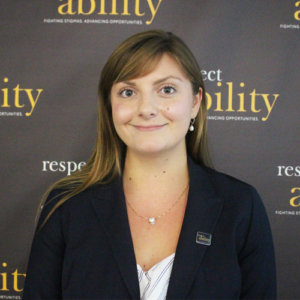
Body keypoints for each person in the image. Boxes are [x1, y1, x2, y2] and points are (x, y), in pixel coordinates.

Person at [22, 30, 276, 300]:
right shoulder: (66, 207)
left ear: (195, 102)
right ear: (110, 107)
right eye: (128, 92)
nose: (146, 108)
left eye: (166, 90)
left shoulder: (241, 206)